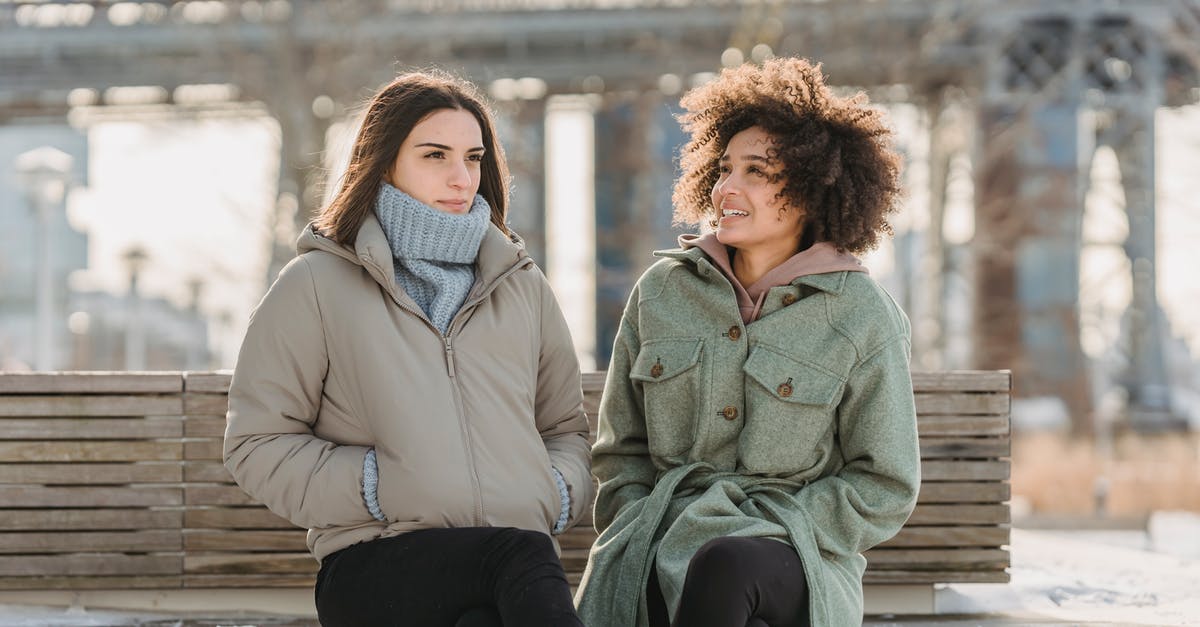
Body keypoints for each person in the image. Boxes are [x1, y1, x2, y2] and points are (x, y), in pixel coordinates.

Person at [222, 70, 591, 627]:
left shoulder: (521, 285)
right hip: (376, 563)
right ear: (385, 161)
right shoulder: (316, 284)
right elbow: (257, 443)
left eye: (473, 158)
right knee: (521, 554)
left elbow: (564, 429)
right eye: (435, 155)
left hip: (505, 571)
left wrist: (554, 493)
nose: (461, 177)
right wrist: (375, 486)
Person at [574, 57, 921, 627]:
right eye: (724, 168)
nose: (726, 188)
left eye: (755, 171)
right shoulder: (661, 292)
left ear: (813, 190)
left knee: (728, 565)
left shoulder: (861, 314)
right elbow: (623, 451)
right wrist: (640, 520)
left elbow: (884, 482)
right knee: (684, 580)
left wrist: (785, 525)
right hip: (661, 540)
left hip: (795, 557)